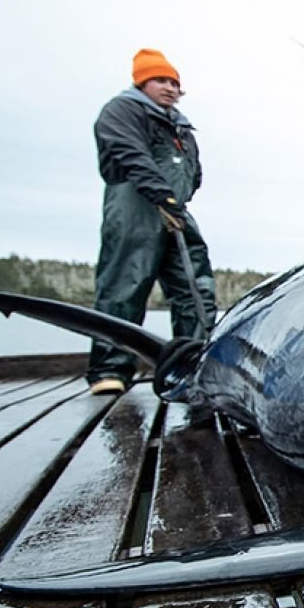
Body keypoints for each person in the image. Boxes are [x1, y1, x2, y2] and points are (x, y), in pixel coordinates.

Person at [87, 48, 216, 395]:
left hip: (176, 211)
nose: (170, 88)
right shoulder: (122, 111)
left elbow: (193, 169)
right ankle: (109, 369)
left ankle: (195, 366)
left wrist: (178, 200)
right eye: (161, 80)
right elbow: (130, 155)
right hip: (136, 208)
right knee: (124, 287)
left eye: (175, 83)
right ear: (141, 82)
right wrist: (162, 196)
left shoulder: (181, 126)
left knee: (196, 290)